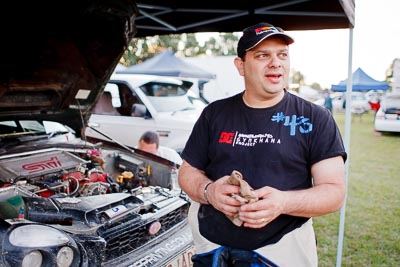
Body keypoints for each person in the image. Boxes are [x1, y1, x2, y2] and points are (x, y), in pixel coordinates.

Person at [178, 22, 347, 267]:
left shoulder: (314, 118)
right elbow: (188, 172)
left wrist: (283, 202)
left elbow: (334, 192)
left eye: (282, 55)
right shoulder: (214, 113)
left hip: (281, 250)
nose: (276, 63)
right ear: (240, 66)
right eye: (262, 55)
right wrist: (209, 191)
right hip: (212, 247)